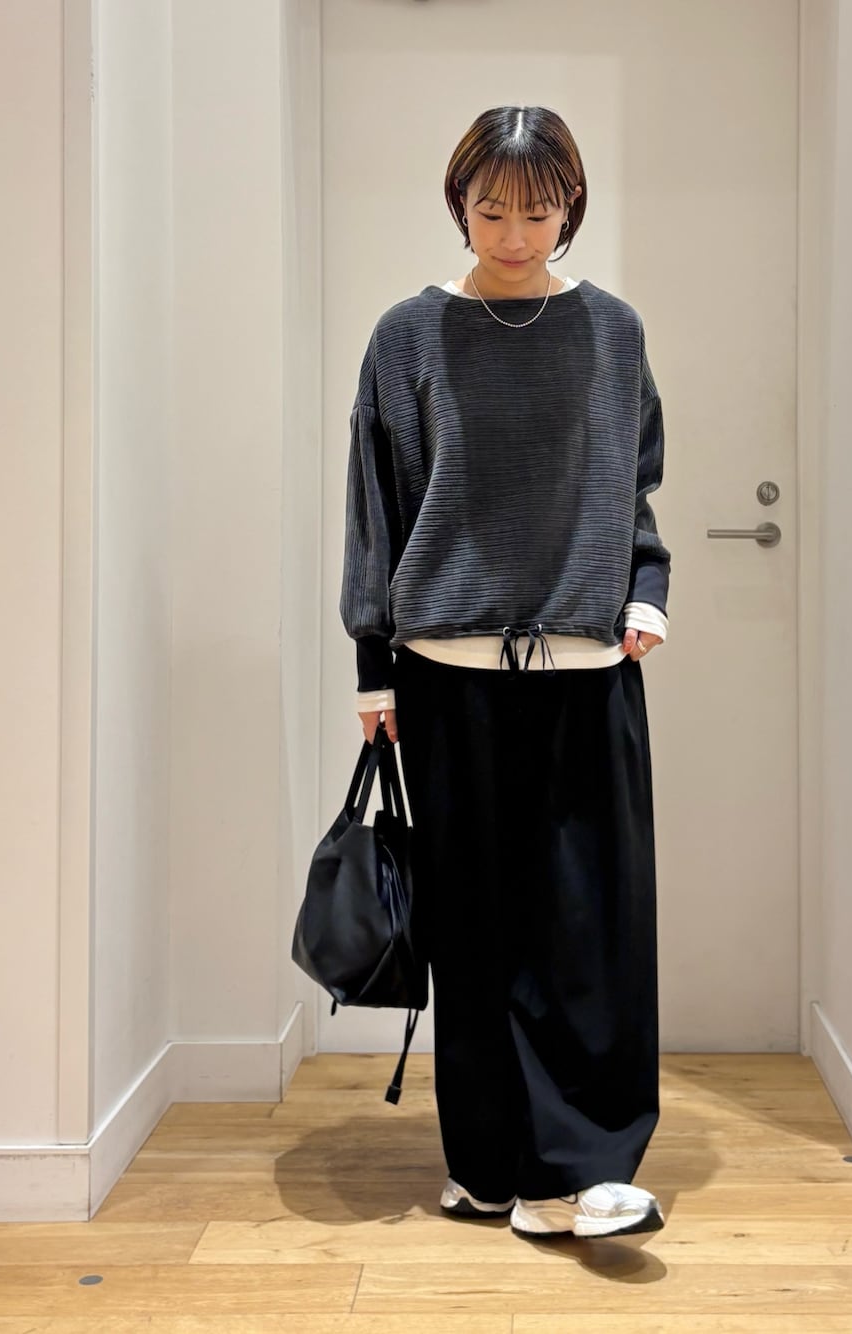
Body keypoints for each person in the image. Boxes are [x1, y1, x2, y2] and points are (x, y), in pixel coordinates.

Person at [338, 105, 670, 1241]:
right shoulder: (408, 336)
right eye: (492, 211)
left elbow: (634, 486)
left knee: (590, 927)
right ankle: (487, 1163)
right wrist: (373, 671)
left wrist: (646, 589)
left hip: (587, 665)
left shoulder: (612, 331)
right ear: (459, 206)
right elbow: (376, 507)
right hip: (448, 671)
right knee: (475, 927)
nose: (516, 234)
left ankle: (580, 1166)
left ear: (571, 206)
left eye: (539, 211)